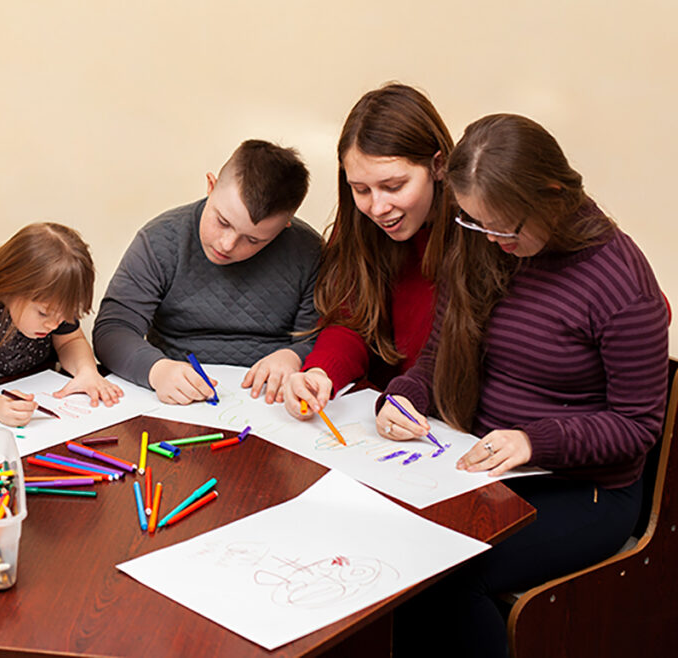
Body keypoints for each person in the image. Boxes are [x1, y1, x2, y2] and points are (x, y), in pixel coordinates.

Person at [375, 114, 669, 657]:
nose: (492, 240)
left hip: (586, 489)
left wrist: (533, 440)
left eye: (505, 227)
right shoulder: (483, 242)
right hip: (484, 463)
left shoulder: (622, 284)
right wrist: (404, 397)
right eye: (475, 222)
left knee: (450, 575)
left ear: (552, 194)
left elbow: (637, 427)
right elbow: (440, 353)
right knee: (389, 546)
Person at [93, 139, 321, 405]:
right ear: (210, 187)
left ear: (284, 227)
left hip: (272, 401)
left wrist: (294, 356)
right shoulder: (160, 240)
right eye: (222, 222)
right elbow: (113, 329)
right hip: (175, 397)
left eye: (253, 240)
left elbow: (323, 338)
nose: (227, 245)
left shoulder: (309, 252)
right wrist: (156, 370)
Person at [282, 83, 454, 420]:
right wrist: (321, 373)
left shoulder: (480, 237)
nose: (377, 207)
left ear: (438, 166)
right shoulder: (360, 230)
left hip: (445, 423)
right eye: (360, 189)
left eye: (394, 186)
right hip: (378, 416)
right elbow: (351, 322)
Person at [0, 223, 122, 427]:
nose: (53, 324)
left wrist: (86, 371)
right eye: (43, 313)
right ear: (11, 284)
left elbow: (70, 340)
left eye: (64, 316)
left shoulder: (54, 296)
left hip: (32, 397)